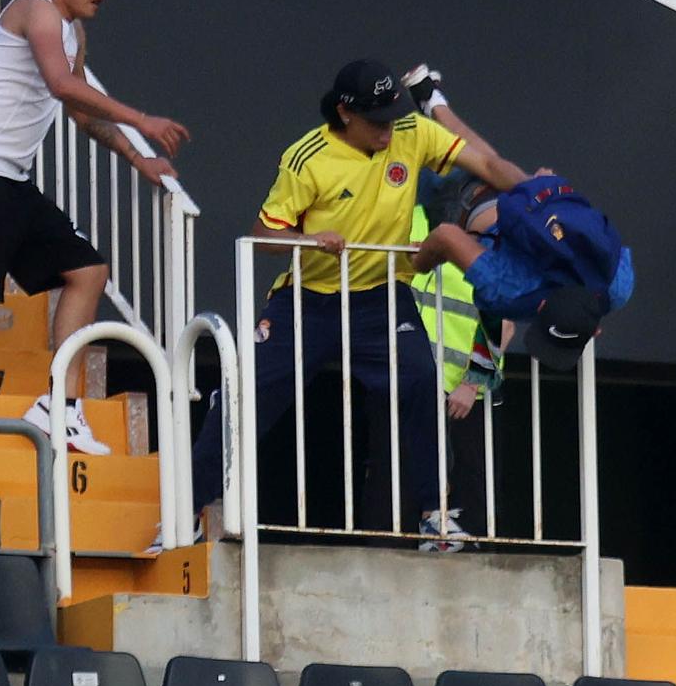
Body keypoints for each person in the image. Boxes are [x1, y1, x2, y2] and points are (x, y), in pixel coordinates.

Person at [193, 58, 529, 550]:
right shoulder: (307, 157)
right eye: (377, 122)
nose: (388, 131)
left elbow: (487, 165)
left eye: (393, 117)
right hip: (309, 300)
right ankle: (186, 512)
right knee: (246, 398)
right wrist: (309, 240)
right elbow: (261, 236)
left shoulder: (411, 132)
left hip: (379, 298)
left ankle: (434, 513)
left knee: (420, 380)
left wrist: (540, 192)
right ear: (346, 113)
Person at [0, 0, 190, 454]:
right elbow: (63, 86)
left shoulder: (73, 34)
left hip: (9, 180)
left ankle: (59, 409)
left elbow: (77, 111)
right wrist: (143, 118)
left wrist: (138, 157)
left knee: (88, 270)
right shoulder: (35, 9)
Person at [410, 170, 634, 374]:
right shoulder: (512, 292)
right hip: (458, 200)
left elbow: (597, 231)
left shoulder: (617, 287)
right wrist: (419, 263)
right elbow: (447, 236)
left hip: (521, 190)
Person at [408, 167, 507, 538]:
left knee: (476, 486)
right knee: (409, 474)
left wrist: (472, 382)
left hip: (469, 386)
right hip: (418, 380)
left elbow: (505, 320)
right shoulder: (411, 220)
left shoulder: (495, 229)